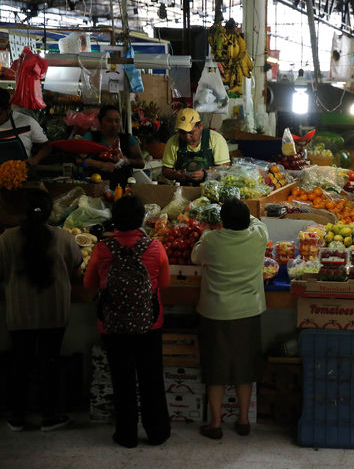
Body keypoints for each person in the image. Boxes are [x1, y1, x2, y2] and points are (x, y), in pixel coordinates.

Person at [83, 195, 171, 448]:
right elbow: (164, 284)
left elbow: (88, 285)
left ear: (114, 220)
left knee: (122, 380)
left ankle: (126, 435)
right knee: (151, 379)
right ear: (142, 219)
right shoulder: (155, 247)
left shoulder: (102, 249)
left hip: (112, 325)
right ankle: (157, 433)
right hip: (149, 324)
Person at [0, 189, 82, 432]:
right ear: (50, 213)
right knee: (50, 363)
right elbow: (77, 271)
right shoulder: (65, 238)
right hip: (53, 311)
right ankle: (49, 416)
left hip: (19, 312)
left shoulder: (6, 239)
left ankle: (17, 417)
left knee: (20, 364)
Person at [191, 200, 269, 440]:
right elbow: (258, 222)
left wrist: (207, 232)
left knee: (216, 368)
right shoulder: (258, 237)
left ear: (222, 222)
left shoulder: (212, 241)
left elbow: (196, 256)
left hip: (216, 313)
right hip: (248, 311)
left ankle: (215, 423)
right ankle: (243, 420)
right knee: (244, 367)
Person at [80, 105, 145, 188]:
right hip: (95, 188)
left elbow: (141, 163)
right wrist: (101, 164)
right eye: (109, 121)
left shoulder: (128, 139)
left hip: (122, 189)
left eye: (117, 121)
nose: (114, 124)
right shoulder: (91, 137)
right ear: (100, 122)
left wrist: (127, 161)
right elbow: (80, 161)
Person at [162, 108, 231, 185]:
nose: (187, 137)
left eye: (191, 132)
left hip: (211, 190)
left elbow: (225, 168)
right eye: (182, 133)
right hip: (183, 190)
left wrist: (205, 174)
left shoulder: (215, 139)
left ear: (200, 126)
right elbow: (165, 170)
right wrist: (176, 175)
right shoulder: (173, 142)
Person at [0, 89, 50, 164]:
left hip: (21, 173)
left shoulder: (27, 122)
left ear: (9, 109)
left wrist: (35, 159)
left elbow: (46, 147)